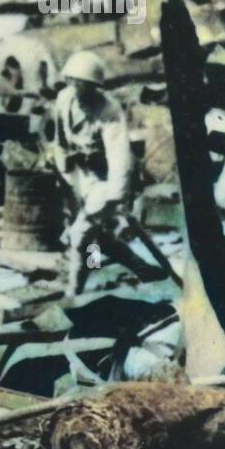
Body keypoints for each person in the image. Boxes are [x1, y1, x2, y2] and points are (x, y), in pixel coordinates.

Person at [50, 51, 150, 296]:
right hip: (78, 176)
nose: (78, 88)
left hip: (104, 180)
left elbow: (119, 156)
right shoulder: (64, 99)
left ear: (95, 87)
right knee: (97, 236)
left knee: (80, 236)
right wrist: (63, 168)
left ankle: (73, 293)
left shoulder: (109, 109)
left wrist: (115, 198)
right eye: (73, 82)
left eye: (85, 85)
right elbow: (59, 139)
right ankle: (142, 268)